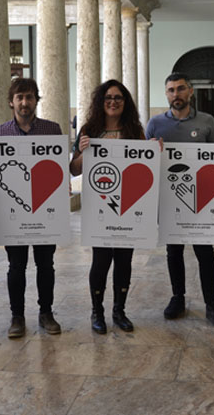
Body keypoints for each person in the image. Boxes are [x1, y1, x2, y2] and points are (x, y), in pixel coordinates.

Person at [146, 72, 214, 328]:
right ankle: (178, 298)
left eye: (181, 89)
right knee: (173, 252)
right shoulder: (155, 124)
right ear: (166, 94)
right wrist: (151, 149)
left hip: (202, 199)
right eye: (171, 90)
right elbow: (145, 162)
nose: (176, 94)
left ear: (191, 91)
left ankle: (212, 304)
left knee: (205, 252)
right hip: (170, 199)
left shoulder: (206, 121)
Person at [0, 78, 63, 338]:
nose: (24, 102)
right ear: (11, 101)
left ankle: (46, 313)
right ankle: (16, 316)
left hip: (44, 214)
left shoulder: (52, 130)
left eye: (29, 97)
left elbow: (59, 168)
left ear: (36, 100)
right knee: (15, 267)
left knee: (46, 265)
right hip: (13, 214)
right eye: (19, 97)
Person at [70, 79, 150, 334]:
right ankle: (97, 311)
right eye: (108, 98)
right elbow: (73, 169)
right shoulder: (89, 129)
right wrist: (82, 152)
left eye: (118, 98)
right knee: (101, 260)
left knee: (124, 260)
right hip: (100, 205)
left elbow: (145, 165)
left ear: (125, 102)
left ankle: (119, 310)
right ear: (100, 102)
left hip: (128, 205)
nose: (113, 102)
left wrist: (154, 151)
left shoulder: (135, 130)